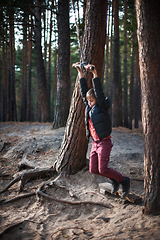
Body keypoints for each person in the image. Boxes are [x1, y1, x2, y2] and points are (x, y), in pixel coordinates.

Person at [73, 62, 130, 198]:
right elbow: (83, 91)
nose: (90, 103)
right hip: (95, 143)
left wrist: (94, 73)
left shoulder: (102, 106)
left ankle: (123, 180)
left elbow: (98, 90)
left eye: (93, 100)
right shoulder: (89, 107)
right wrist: (79, 71)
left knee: (102, 168)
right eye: (89, 101)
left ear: (97, 100)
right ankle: (114, 179)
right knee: (94, 169)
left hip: (104, 142)